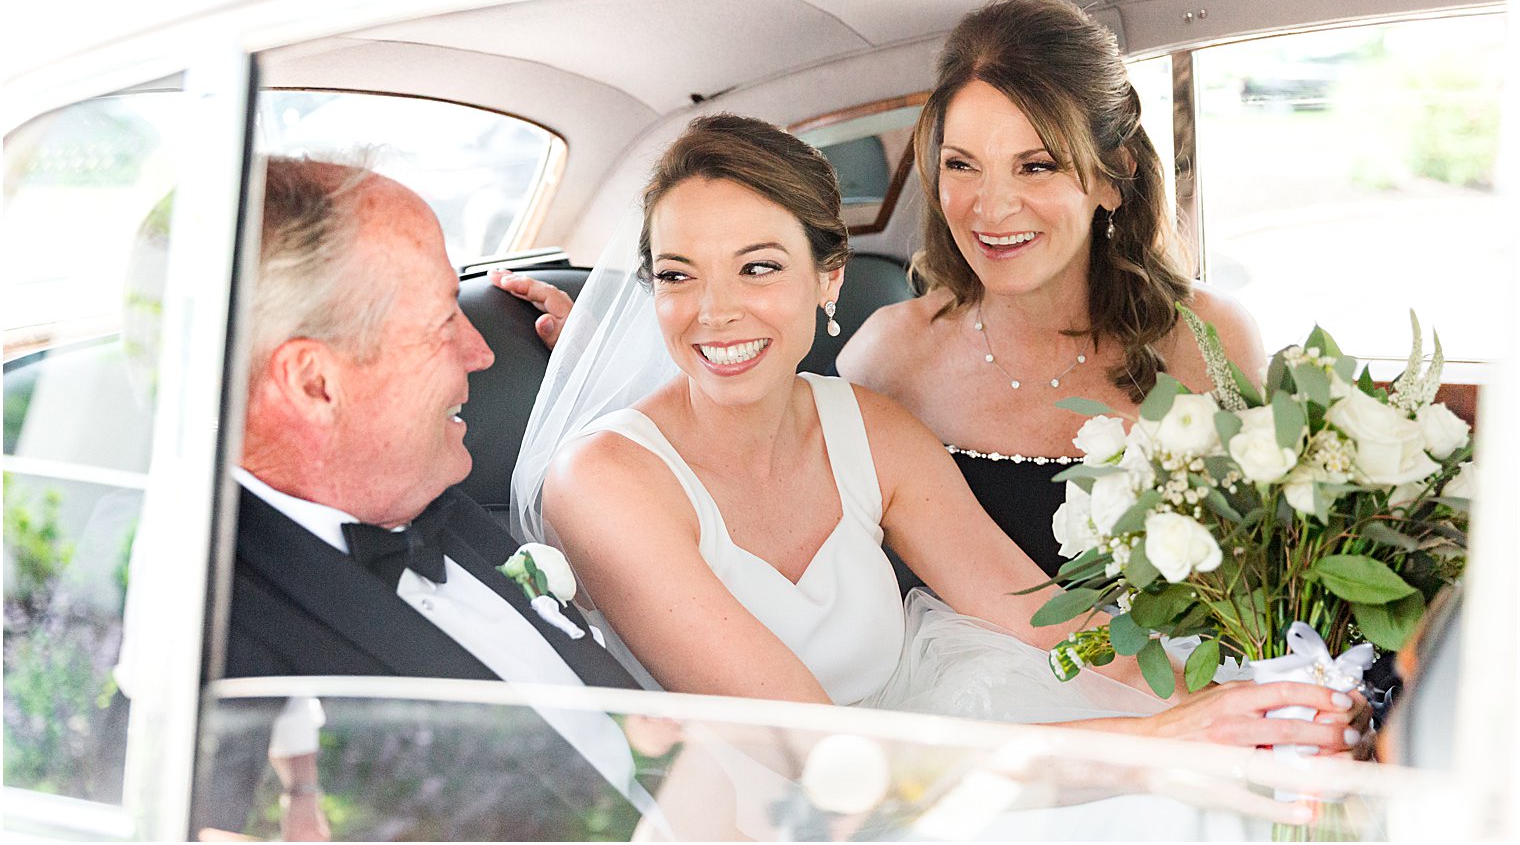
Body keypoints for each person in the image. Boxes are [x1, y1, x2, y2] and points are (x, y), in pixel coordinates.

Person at [512, 115, 1363, 751]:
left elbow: (1047, 622)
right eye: (677, 275)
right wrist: (1160, 743)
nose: (715, 310)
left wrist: (1245, 698)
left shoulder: (870, 428)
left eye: (759, 266)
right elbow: (812, 751)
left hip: (931, 761)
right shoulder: (604, 482)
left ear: (828, 279)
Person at [218, 154, 652, 833]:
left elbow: (645, 742)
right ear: (314, 384)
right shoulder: (224, 652)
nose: (481, 351)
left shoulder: (426, 489)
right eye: (443, 320)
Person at [837, 0, 1265, 581]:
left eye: (1035, 166)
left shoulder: (1210, 341)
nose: (991, 207)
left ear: (1113, 180)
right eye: (962, 165)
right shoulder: (886, 357)